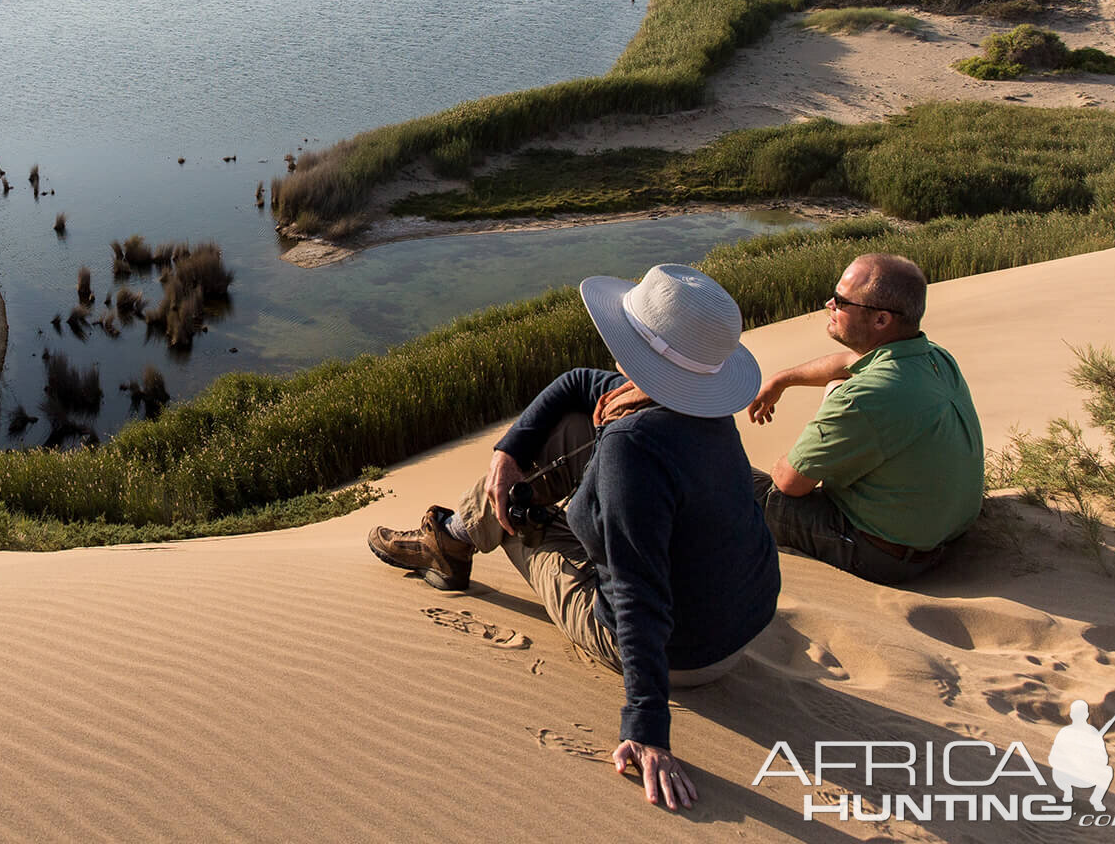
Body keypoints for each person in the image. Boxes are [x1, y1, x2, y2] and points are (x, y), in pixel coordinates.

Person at [366, 264, 780, 812]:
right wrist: (509, 451)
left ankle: (450, 541)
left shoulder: (632, 446)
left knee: (509, 507)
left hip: (681, 655)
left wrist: (647, 726)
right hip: (735, 629)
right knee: (562, 433)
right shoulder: (699, 408)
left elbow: (638, 595)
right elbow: (577, 383)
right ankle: (455, 534)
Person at [746, 253, 983, 583]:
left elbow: (790, 484)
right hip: (937, 533)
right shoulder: (933, 357)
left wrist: (807, 442)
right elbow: (848, 361)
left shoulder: (865, 397)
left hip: (883, 554)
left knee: (736, 482)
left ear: (881, 320)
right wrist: (782, 379)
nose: (829, 303)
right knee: (838, 383)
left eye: (842, 302)